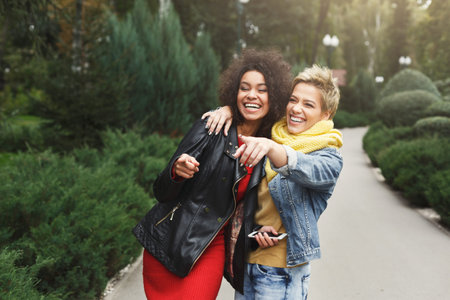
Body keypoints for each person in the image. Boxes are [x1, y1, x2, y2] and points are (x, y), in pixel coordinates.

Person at [132, 49, 292, 299]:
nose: (252, 95)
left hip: (211, 247)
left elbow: (253, 206)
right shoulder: (212, 127)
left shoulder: (271, 144)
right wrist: (176, 171)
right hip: (171, 242)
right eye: (244, 88)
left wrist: (262, 229)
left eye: (262, 89)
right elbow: (161, 191)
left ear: (275, 96)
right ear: (234, 93)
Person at [203, 65, 343, 299]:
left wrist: (273, 148)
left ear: (326, 114)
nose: (296, 109)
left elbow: (306, 168)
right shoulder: (273, 133)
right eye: (293, 100)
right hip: (247, 264)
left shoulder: (327, 156)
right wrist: (227, 110)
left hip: (282, 272)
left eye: (308, 105)